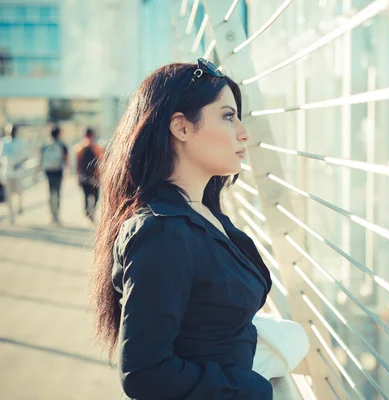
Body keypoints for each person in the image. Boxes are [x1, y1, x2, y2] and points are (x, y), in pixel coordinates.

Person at [90, 59, 274, 400]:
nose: (243, 132)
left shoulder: (201, 213)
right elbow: (145, 374)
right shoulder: (162, 231)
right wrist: (252, 389)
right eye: (227, 116)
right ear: (182, 128)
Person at [40, 125, 69, 224]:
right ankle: (57, 215)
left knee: (50, 192)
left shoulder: (45, 144)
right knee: (57, 192)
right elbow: (66, 158)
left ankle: (52, 215)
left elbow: (41, 158)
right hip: (58, 170)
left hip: (48, 171)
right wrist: (67, 170)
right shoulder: (61, 145)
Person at [74, 127, 104, 222]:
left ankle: (87, 211)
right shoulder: (97, 147)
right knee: (96, 196)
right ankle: (93, 211)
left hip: (84, 176)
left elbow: (78, 163)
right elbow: (102, 161)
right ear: (93, 135)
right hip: (95, 176)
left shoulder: (79, 147)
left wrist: (78, 175)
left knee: (86, 195)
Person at [0, 124, 28, 224]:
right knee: (8, 195)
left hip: (18, 173)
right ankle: (11, 215)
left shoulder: (20, 143)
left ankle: (20, 206)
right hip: (7, 173)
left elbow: (25, 157)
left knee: (19, 193)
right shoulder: (3, 142)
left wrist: (19, 164)